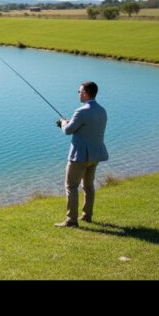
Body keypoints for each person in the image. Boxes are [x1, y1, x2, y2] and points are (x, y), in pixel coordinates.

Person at [54, 81, 108, 228]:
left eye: (79, 91)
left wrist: (63, 123)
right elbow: (87, 127)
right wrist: (70, 122)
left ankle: (71, 220)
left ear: (85, 93)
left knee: (71, 186)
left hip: (79, 157)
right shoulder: (102, 110)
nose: (78, 94)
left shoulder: (81, 111)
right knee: (88, 186)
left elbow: (67, 131)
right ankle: (87, 215)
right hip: (95, 155)